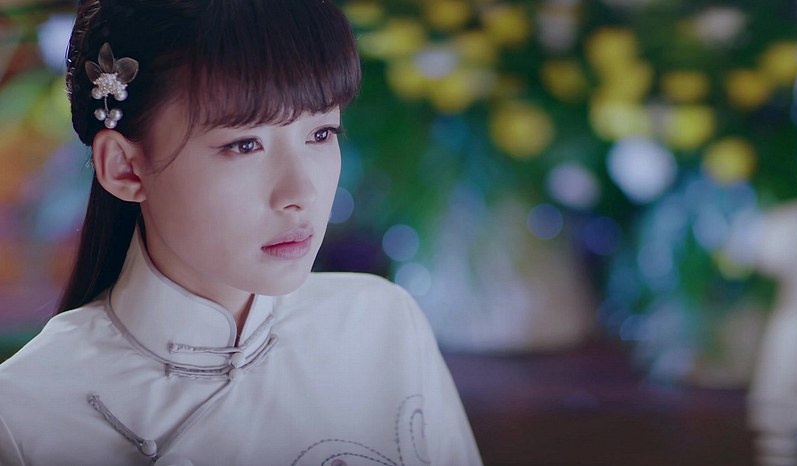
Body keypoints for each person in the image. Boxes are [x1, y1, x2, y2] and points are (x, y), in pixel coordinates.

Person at [0, 0, 482, 464]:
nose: (300, 193)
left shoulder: (382, 324)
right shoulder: (24, 412)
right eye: (245, 145)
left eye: (320, 134)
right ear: (125, 167)